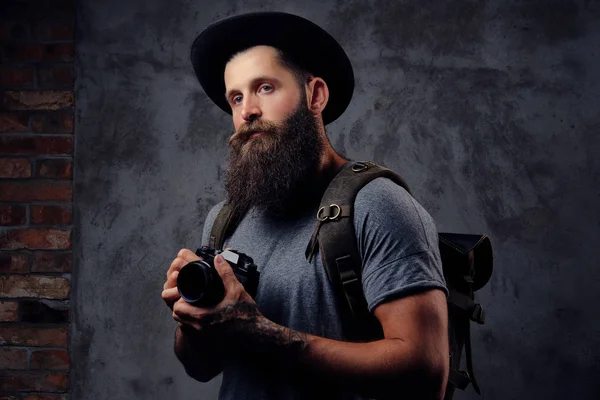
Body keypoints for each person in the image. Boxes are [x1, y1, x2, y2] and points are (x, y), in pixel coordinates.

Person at [162, 11, 450, 400]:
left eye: (264, 88)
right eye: (236, 97)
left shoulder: (377, 204)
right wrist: (191, 319)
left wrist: (263, 333)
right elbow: (201, 367)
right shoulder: (225, 220)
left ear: (315, 95)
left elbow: (426, 372)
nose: (247, 111)